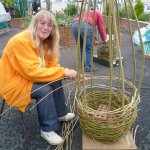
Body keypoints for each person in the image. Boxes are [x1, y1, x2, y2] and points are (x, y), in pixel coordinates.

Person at [0, 11, 77, 145]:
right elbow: (31, 72)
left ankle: (60, 113)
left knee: (55, 78)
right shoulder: (21, 41)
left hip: (26, 76)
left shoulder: (46, 41)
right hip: (12, 81)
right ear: (35, 24)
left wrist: (63, 71)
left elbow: (53, 67)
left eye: (50, 25)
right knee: (44, 89)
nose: (46, 27)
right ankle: (47, 129)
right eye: (42, 23)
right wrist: (63, 72)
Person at [72, 6, 106, 72]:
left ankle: (82, 65)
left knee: (81, 47)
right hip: (85, 25)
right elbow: (101, 29)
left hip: (74, 25)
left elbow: (91, 29)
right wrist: (104, 39)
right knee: (88, 49)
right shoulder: (98, 13)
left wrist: (95, 40)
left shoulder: (86, 12)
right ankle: (88, 67)